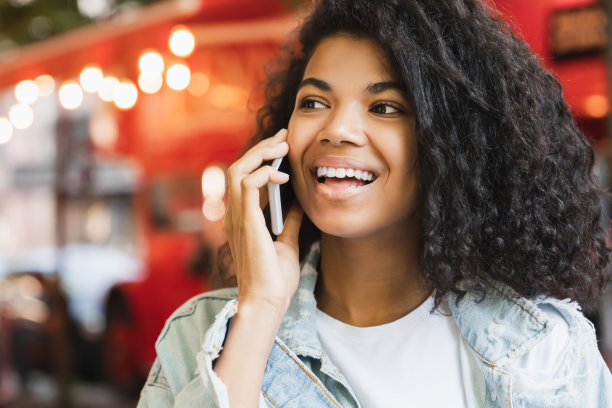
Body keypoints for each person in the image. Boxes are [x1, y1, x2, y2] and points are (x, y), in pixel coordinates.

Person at [137, 0, 612, 406]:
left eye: (385, 108)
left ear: (450, 145)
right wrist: (259, 310)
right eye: (313, 103)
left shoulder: (541, 350)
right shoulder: (200, 336)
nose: (336, 129)